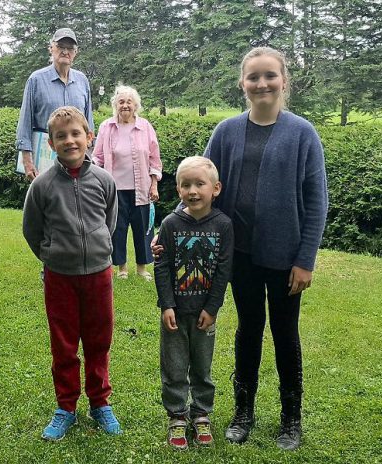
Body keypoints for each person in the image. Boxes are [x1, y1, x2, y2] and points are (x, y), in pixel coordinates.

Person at [153, 47, 328, 450]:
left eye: (269, 76)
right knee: (248, 330)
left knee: (285, 334)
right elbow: (199, 187)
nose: (261, 84)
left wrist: (305, 260)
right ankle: (243, 412)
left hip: (285, 258)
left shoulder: (303, 133)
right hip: (239, 256)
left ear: (284, 81)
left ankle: (290, 418)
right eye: (253, 77)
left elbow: (316, 201)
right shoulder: (226, 132)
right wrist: (170, 228)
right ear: (242, 83)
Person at [22, 106, 122, 441]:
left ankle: (99, 402)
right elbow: (32, 230)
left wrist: (97, 250)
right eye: (61, 136)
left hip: (98, 275)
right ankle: (66, 406)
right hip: (60, 278)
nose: (69, 141)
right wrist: (52, 256)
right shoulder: (43, 185)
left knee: (99, 340)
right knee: (63, 345)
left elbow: (109, 221)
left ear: (89, 137)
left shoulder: (104, 181)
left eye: (76, 134)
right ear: (51, 144)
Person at [154, 156, 233, 450]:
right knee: (174, 367)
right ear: (178, 190)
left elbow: (224, 269)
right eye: (186, 185)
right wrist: (166, 305)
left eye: (200, 184)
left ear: (216, 188)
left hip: (204, 314)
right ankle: (177, 416)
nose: (193, 191)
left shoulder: (224, 226)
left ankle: (201, 414)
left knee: (202, 367)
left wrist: (212, 308)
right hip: (175, 312)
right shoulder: (170, 224)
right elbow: (161, 267)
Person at [93, 85, 162, 281]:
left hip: (141, 188)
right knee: (118, 229)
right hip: (114, 190)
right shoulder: (107, 126)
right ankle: (122, 268)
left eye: (129, 102)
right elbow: (97, 157)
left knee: (142, 230)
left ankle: (142, 268)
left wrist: (154, 184)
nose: (125, 105)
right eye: (121, 102)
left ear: (135, 105)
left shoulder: (145, 127)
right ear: (115, 105)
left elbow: (154, 159)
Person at [16, 28, 94, 181]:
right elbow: (25, 122)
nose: (65, 51)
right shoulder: (36, 80)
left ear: (75, 52)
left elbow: (88, 123)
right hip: (44, 157)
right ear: (51, 48)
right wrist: (27, 160)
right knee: (46, 201)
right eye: (60, 46)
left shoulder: (82, 81)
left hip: (76, 156)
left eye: (70, 48)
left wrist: (89, 155)